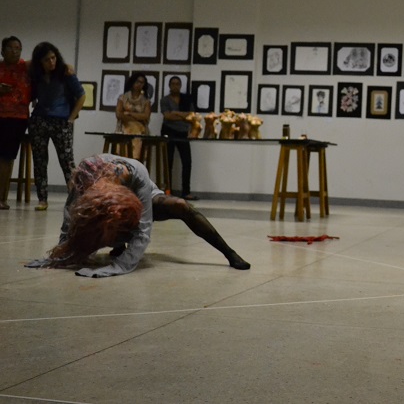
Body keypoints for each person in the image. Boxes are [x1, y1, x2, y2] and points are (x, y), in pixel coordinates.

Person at [25, 154, 250, 277]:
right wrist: (62, 254)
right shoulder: (85, 176)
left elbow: (143, 230)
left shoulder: (136, 172)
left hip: (145, 200)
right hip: (107, 205)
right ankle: (117, 244)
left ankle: (229, 252)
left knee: (181, 205)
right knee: (95, 223)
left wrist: (121, 265)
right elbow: (69, 216)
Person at [29, 42, 85, 211]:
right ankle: (42, 199)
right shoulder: (35, 75)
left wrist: (71, 118)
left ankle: (75, 198)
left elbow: (81, 95)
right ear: (40, 62)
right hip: (39, 120)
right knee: (39, 161)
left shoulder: (65, 73)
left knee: (67, 162)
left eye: (53, 58)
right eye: (47, 60)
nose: (51, 62)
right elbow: (24, 64)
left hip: (62, 121)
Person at [0, 36, 31, 210]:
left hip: (17, 118)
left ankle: (2, 197)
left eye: (18, 48)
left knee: (7, 157)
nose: (14, 51)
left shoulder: (25, 67)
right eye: (10, 48)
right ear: (2, 50)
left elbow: (45, 57)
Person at [160, 76, 196, 200]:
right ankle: (167, 191)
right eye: (173, 84)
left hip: (183, 132)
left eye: (177, 84)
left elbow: (191, 116)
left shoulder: (186, 99)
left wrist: (176, 113)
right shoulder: (164, 100)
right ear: (169, 86)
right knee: (167, 161)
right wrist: (182, 115)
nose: (175, 86)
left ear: (180, 85)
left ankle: (186, 191)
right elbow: (167, 116)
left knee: (187, 161)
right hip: (168, 131)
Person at [116, 72, 151, 161]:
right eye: (137, 81)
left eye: (142, 82)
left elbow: (146, 117)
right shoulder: (123, 98)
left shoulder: (146, 101)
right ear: (132, 82)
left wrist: (130, 114)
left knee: (137, 159)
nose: (139, 84)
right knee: (123, 159)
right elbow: (119, 114)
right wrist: (138, 117)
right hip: (124, 129)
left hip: (139, 131)